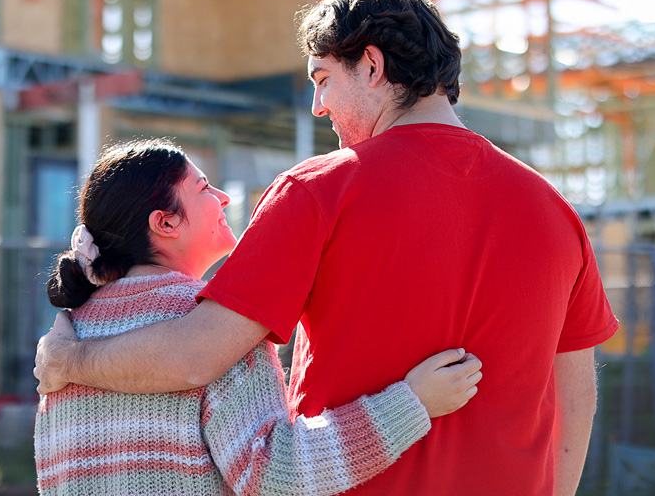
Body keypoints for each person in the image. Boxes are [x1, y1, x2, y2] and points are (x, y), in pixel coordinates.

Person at [35, 0, 619, 496]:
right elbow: (574, 396)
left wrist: (71, 359)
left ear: (371, 65)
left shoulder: (317, 192)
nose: (318, 108)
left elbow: (194, 357)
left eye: (323, 81)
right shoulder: (554, 211)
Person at [34, 138, 483, 496]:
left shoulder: (68, 338)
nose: (225, 197)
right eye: (204, 188)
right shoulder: (216, 324)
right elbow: (273, 474)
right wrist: (410, 404)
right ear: (165, 224)